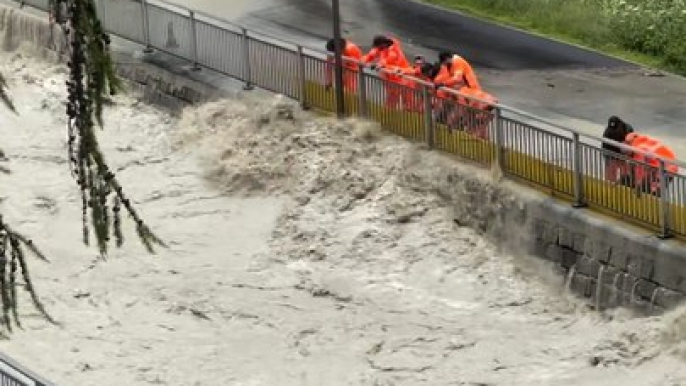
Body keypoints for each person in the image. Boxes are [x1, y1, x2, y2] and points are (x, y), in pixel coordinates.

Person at [362, 34, 411, 109]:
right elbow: (371, 55)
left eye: (378, 46)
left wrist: (379, 65)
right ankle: (389, 112)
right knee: (392, 97)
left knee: (406, 99)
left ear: (383, 44)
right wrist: (362, 61)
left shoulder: (393, 49)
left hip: (402, 76)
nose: (377, 48)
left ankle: (406, 112)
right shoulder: (381, 48)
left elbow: (389, 59)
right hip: (391, 78)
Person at [602, 116, 634, 185]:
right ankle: (613, 185)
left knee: (624, 172)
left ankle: (623, 183)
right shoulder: (610, 131)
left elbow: (630, 142)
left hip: (618, 154)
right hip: (611, 154)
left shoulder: (625, 128)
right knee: (612, 173)